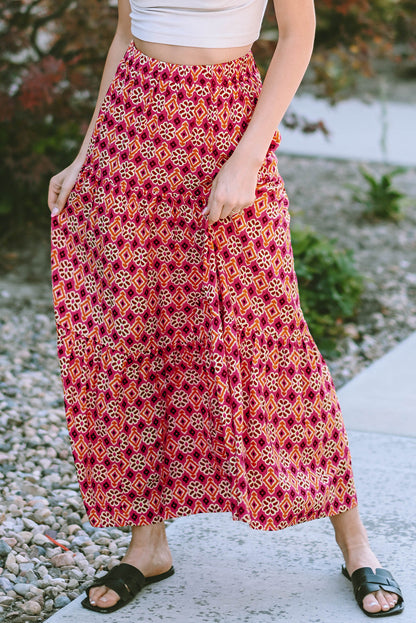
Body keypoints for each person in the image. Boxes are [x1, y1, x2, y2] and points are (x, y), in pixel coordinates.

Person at [48, 0, 404, 617]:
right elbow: (125, 31)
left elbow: (298, 33)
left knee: (270, 336)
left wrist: (248, 157)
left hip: (224, 125)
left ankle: (355, 541)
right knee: (140, 334)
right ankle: (148, 544)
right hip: (131, 131)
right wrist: (87, 152)